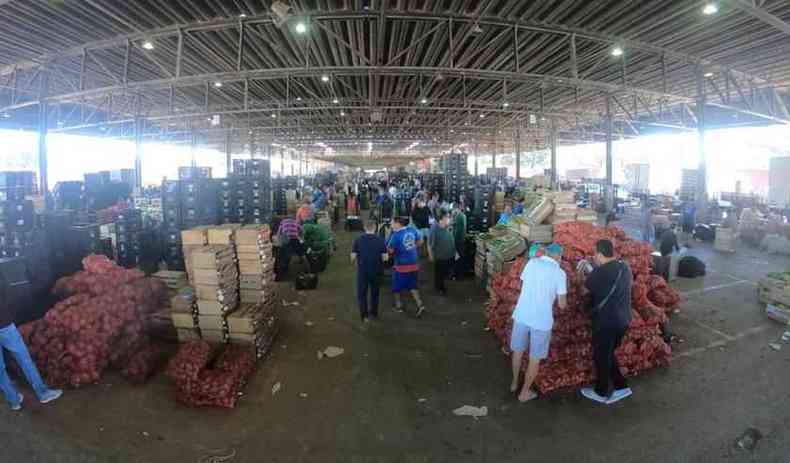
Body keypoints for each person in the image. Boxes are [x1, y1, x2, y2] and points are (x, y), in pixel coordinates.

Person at [509, 243, 567, 402]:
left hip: (521, 315)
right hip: (541, 322)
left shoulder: (532, 263)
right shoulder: (560, 273)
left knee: (518, 351)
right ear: (558, 256)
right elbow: (562, 305)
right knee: (535, 358)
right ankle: (524, 393)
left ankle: (514, 383)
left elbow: (523, 283)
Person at [577, 239, 633, 405]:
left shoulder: (599, 273)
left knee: (601, 356)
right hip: (624, 319)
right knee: (608, 354)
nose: (594, 257)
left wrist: (581, 275)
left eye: (595, 254)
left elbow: (583, 291)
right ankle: (622, 387)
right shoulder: (624, 267)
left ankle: (601, 392)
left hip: (606, 322)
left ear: (600, 254)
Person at [0, 285, 63, 410]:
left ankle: (14, 400)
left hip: (3, 321)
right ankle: (43, 393)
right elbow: (5, 290)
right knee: (24, 359)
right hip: (4, 323)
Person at [387, 217, 426, 317]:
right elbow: (421, 241)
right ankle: (420, 304)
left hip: (401, 266)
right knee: (413, 286)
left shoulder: (395, 236)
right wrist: (412, 247)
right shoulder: (412, 230)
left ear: (397, 224)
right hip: (414, 264)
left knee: (396, 287)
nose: (391, 225)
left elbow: (390, 251)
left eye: (392, 223)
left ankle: (399, 305)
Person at [351, 221, 388, 325]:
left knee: (362, 294)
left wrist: (356, 263)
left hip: (363, 271)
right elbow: (385, 258)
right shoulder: (380, 240)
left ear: (364, 228)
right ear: (375, 228)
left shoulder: (358, 240)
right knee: (375, 292)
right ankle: (374, 313)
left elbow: (353, 257)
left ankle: (364, 316)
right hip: (376, 271)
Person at [428, 210, 456, 297]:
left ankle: (442, 285)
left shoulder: (447, 226)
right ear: (442, 219)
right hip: (440, 257)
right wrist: (431, 255)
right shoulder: (434, 229)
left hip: (450, 254)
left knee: (445, 272)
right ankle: (439, 288)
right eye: (447, 217)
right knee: (439, 274)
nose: (449, 218)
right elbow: (429, 244)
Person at [451, 202, 467, 278]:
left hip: (458, 241)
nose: (453, 211)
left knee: (458, 257)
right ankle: (459, 274)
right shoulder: (461, 216)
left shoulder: (459, 216)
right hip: (461, 240)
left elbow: (458, 231)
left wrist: (453, 240)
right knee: (460, 257)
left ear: (456, 208)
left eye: (453, 209)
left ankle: (458, 274)